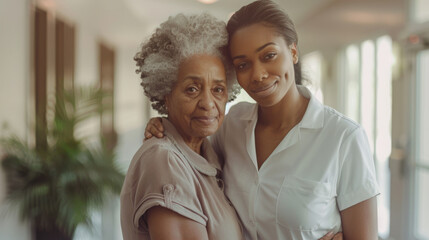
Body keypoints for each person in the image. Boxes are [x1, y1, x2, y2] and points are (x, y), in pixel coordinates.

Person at [144, 0, 379, 239]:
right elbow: (190, 152)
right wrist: (166, 125)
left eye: (269, 55)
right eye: (243, 64)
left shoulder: (344, 138)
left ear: (294, 51)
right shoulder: (232, 125)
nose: (258, 75)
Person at [119, 13, 244, 240]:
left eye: (218, 89)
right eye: (192, 89)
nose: (208, 104)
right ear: (166, 94)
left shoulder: (208, 152)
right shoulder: (165, 160)